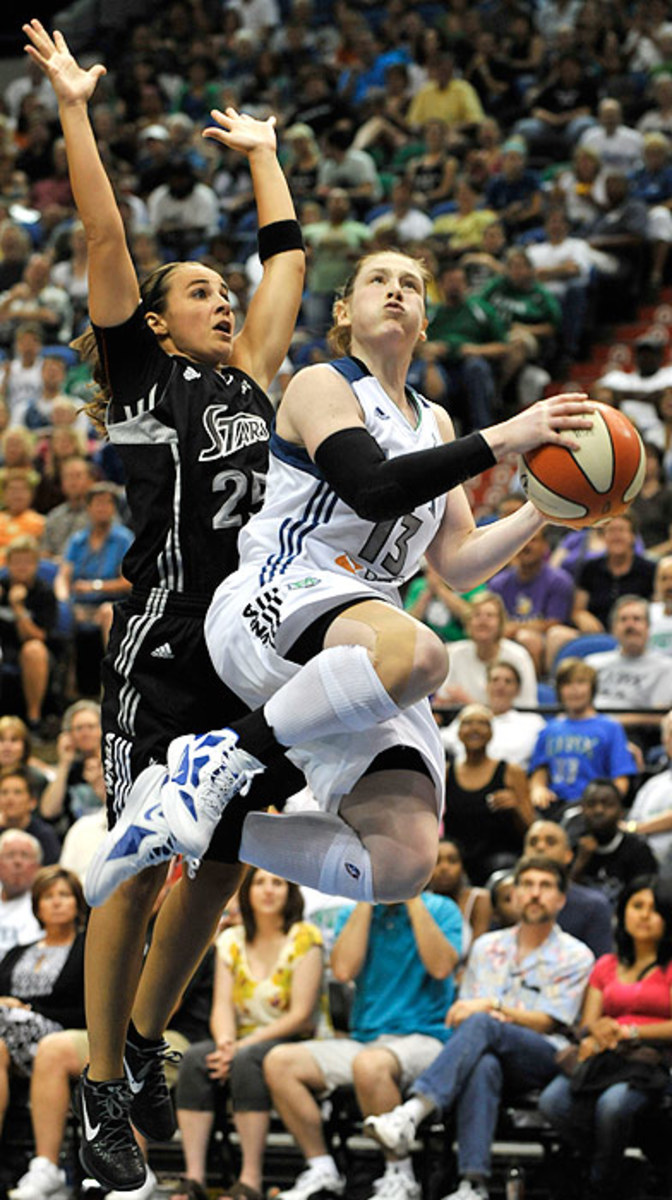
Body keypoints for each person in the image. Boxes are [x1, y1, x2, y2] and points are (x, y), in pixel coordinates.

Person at [88, 244, 594, 915]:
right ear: (344, 311)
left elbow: (460, 562)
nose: (395, 291)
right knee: (422, 654)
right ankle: (220, 757)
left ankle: (190, 819)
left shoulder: (434, 421)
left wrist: (546, 508)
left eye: (410, 285)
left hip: (361, 635)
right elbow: (374, 487)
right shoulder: (322, 383)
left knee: (401, 862)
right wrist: (505, 437)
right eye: (377, 280)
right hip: (278, 593)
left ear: (423, 321)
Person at [21, 15, 305, 1192]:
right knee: (142, 865)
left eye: (223, 291)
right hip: (163, 639)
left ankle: (139, 1046)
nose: (225, 299)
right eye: (201, 290)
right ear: (158, 317)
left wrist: (265, 156)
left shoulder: (250, 375)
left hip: (249, 650)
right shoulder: (141, 374)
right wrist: (78, 110)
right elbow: (100, 228)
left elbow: (285, 262)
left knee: (228, 863)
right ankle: (95, 1088)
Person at [363, 856, 594, 1200]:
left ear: (561, 899)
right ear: (514, 895)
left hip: (545, 1055)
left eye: (545, 887)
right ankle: (473, 1184)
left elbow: (549, 1020)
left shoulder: (576, 955)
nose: (534, 894)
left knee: (483, 1024)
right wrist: (485, 1015)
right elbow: (463, 1015)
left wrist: (493, 1008)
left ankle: (412, 1112)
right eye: (527, 885)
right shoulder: (487, 947)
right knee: (483, 1061)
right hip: (487, 1049)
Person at [264, 884, 462, 1200]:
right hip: (366, 1040)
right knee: (280, 1062)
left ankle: (401, 1174)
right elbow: (343, 970)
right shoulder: (353, 912)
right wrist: (366, 901)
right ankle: (322, 1168)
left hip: (426, 1038)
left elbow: (441, 967)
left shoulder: (442, 909)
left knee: (370, 1065)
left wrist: (410, 896)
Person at [175, 868, 325, 1200]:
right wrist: (226, 1041)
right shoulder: (230, 940)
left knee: (246, 1060)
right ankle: (194, 1178)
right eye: (259, 883)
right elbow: (222, 1007)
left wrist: (240, 1047)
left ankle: (250, 1180)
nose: (268, 890)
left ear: (290, 892)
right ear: (246, 892)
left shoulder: (305, 938)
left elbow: (300, 1016)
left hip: (293, 1040)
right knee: (195, 1058)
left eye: (278, 882)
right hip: (241, 1040)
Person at [539, 876, 672, 1200]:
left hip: (651, 1059)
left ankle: (600, 1185)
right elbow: (589, 1022)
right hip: (604, 1056)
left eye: (653, 909)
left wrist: (631, 1031)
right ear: (622, 913)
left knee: (613, 1106)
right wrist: (597, 1030)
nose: (643, 915)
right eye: (636, 906)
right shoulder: (606, 965)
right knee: (552, 1102)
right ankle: (621, 1169)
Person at [0, 866, 86, 1142]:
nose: (57, 902)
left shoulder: (88, 949)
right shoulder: (17, 952)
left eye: (64, 895)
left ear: (78, 903)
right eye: (48, 896)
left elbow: (87, 1009)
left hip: (61, 1034)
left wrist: (29, 1010)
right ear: (37, 907)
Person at [528, 659, 637, 818]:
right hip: (555, 805)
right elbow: (540, 770)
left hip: (592, 807)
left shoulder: (610, 728)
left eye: (581, 682)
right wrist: (538, 789)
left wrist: (606, 806)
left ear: (592, 688)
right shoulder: (550, 729)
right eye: (568, 684)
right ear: (559, 691)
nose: (574, 690)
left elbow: (621, 779)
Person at [443, 705, 534, 886]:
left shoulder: (511, 771)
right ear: (459, 733)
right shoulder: (446, 773)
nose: (475, 728)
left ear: (491, 733)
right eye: (468, 723)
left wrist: (515, 806)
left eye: (482, 723)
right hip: (459, 859)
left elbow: (531, 826)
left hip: (501, 857)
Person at [433, 592, 538, 711]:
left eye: (490, 615)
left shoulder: (519, 656)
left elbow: (527, 706)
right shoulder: (454, 653)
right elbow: (442, 702)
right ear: (468, 623)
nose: (483, 621)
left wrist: (468, 702)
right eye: (477, 615)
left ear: (501, 623)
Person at [523, 819, 613, 957]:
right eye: (533, 842)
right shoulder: (508, 896)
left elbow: (600, 967)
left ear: (568, 855)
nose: (540, 847)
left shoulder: (593, 905)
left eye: (550, 842)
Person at [567, 779, 659, 908]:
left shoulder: (638, 849)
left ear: (621, 812)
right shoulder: (572, 846)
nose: (599, 810)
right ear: (582, 809)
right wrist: (580, 863)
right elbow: (561, 901)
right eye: (591, 804)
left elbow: (646, 899)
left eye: (607, 804)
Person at [440, 660, 546, 770]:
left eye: (508, 681)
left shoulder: (533, 723)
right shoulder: (469, 717)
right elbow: (442, 739)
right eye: (495, 680)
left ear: (518, 690)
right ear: (486, 686)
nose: (500, 686)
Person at [0, 536, 57, 733]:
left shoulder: (44, 592)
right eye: (17, 562)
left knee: (33, 650)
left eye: (27, 562)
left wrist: (18, 609)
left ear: (36, 564)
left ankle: (34, 719)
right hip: (3, 647)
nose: (22, 567)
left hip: (34, 652)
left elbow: (37, 637)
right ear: (7, 564)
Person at [429, 838, 492, 964]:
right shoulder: (420, 901)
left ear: (463, 867)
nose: (444, 868)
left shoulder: (478, 899)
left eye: (452, 861)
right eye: (437, 861)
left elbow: (477, 953)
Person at [0, 769, 60, 866]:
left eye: (17, 792)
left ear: (32, 802)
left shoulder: (44, 836)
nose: (9, 798)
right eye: (4, 792)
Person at [0, 830, 42, 955]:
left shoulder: (42, 907)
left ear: (37, 866)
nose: (17, 862)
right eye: (10, 855)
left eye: (25, 856)